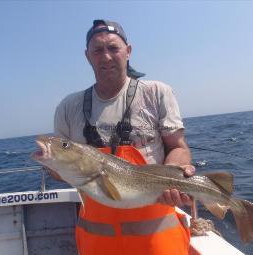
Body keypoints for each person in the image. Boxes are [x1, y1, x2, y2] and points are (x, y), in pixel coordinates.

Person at [54, 19, 195, 255]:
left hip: (158, 239)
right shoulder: (68, 107)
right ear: (87, 56)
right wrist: (56, 165)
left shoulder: (157, 93)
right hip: (97, 242)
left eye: (113, 48)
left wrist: (170, 178)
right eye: (97, 50)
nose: (106, 56)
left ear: (128, 51)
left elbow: (178, 147)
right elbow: (58, 168)